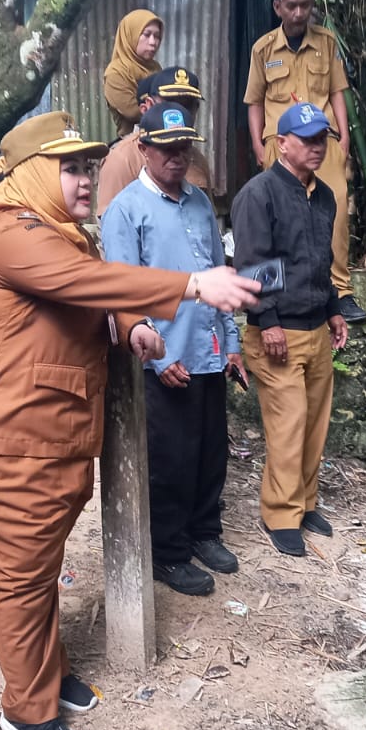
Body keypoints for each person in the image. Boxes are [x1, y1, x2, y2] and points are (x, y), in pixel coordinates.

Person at [0, 112, 259, 730]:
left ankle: (46, 673)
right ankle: (26, 710)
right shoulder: (14, 236)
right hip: (5, 440)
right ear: (31, 172)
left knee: (38, 569)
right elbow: (86, 284)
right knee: (19, 576)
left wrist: (126, 329)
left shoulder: (56, 235)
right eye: (69, 167)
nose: (85, 179)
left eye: (88, 166)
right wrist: (193, 283)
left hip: (42, 440)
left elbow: (83, 306)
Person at [100, 102, 244, 596]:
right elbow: (121, 291)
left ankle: (205, 532)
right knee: (170, 458)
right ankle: (168, 551)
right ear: (143, 149)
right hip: (165, 354)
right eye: (166, 150)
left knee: (209, 452)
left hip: (207, 350)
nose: (176, 159)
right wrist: (158, 358)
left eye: (183, 149)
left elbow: (217, 278)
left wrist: (231, 342)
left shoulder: (201, 204)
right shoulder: (125, 210)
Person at [232, 102, 350, 558]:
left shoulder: (323, 196)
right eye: (308, 140)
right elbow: (253, 263)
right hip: (276, 332)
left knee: (315, 423)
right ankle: (280, 513)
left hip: (316, 328)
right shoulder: (258, 195)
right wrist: (267, 321)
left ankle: (305, 503)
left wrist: (335, 308)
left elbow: (323, 261)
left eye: (322, 139)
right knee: (288, 424)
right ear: (282, 144)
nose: (318, 147)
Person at [243, 0, 366, 324]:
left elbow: (336, 93)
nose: (299, 14)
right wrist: (258, 143)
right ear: (278, 7)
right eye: (292, 7)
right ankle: (277, 296)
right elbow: (254, 101)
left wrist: (343, 138)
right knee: (279, 219)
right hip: (279, 144)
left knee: (336, 211)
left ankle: (340, 292)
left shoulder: (326, 42)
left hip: (322, 140)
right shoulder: (263, 50)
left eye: (306, 6)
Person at [95, 65, 213, 219]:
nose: (180, 113)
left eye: (188, 106)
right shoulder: (122, 159)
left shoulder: (196, 159)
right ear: (148, 106)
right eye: (171, 104)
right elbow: (111, 230)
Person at [102, 9, 164, 136]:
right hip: (133, 142)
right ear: (130, 35)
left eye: (157, 36)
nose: (153, 42)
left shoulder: (155, 68)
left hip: (162, 137)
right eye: (146, 35)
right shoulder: (116, 73)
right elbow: (133, 112)